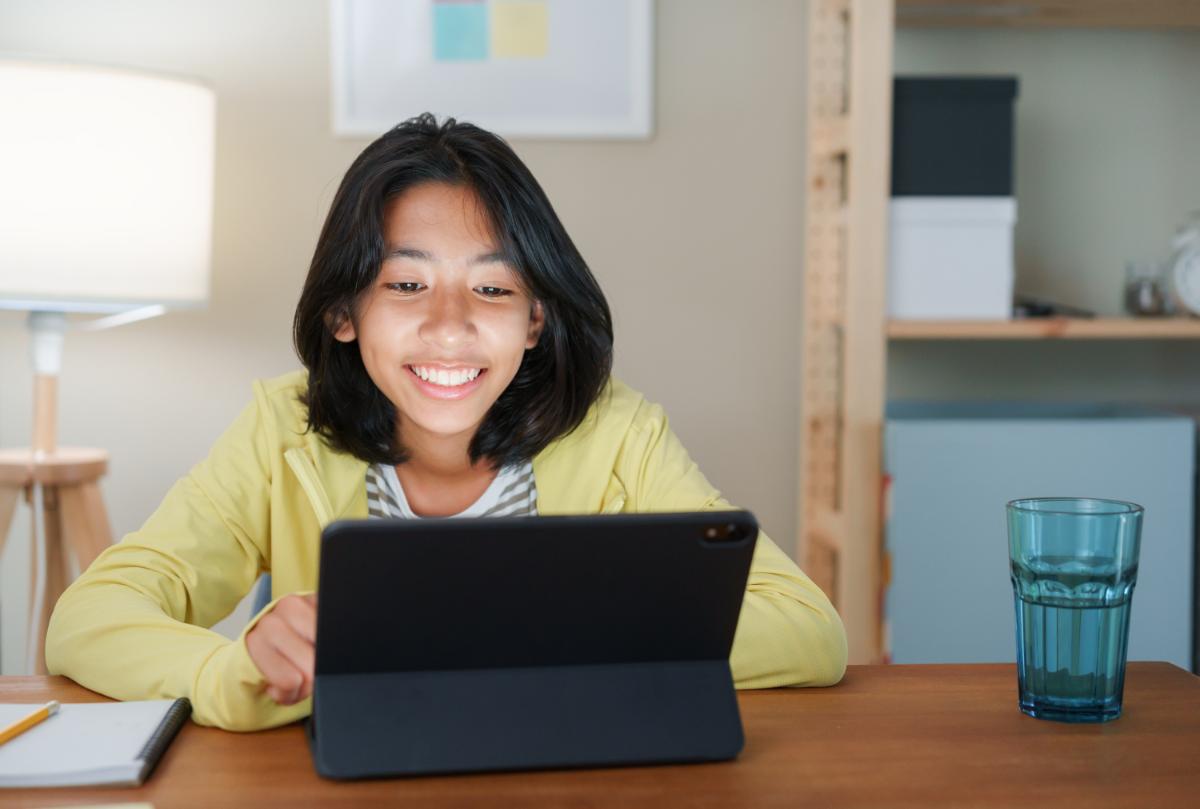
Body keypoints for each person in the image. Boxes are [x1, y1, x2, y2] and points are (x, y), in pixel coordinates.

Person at [46, 114, 847, 731]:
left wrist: (531, 640)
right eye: (405, 285)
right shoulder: (281, 431)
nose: (452, 326)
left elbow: (809, 630)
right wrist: (233, 670)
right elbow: (88, 619)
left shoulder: (615, 433)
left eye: (493, 290)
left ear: (535, 319)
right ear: (342, 314)